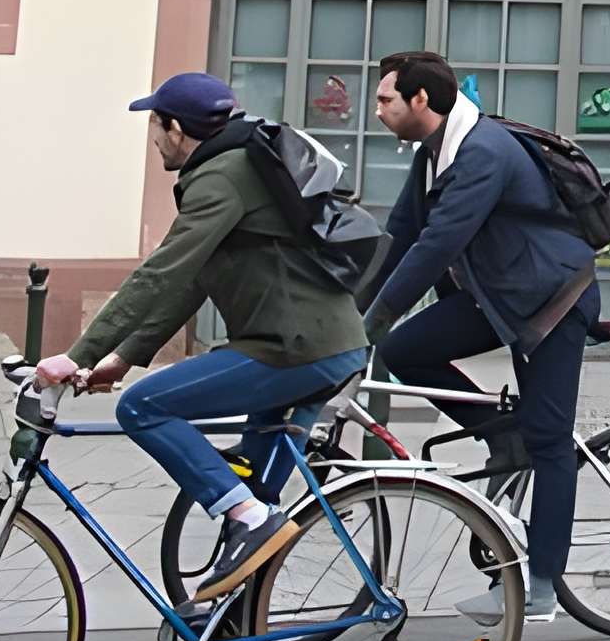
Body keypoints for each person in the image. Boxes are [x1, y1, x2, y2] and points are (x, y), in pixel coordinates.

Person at [35, 74, 369, 602]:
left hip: (295, 348)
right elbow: (192, 279)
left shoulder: (220, 177)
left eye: (155, 125)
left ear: (176, 128)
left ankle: (247, 517)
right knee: (256, 494)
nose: (153, 139)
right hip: (320, 344)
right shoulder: (238, 163)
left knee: (144, 408)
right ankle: (227, 629)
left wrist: (76, 354)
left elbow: (162, 272)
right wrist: (123, 355)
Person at [364, 50, 602, 619]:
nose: (377, 111)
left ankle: (541, 586)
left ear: (421, 100)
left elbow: (439, 242)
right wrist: (353, 316)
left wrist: (374, 317)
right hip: (498, 296)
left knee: (551, 444)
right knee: (404, 350)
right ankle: (507, 433)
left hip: (551, 301)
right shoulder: (433, 154)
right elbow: (399, 237)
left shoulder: (482, 152)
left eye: (385, 99)